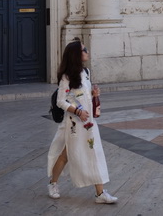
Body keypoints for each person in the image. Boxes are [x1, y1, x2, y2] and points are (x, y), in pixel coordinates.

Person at [46, 40, 117, 204]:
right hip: (74, 124)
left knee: (94, 153)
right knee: (66, 155)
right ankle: (53, 183)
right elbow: (61, 101)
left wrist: (94, 94)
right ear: (76, 55)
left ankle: (100, 194)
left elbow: (83, 97)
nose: (87, 51)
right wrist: (78, 111)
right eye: (84, 49)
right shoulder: (66, 77)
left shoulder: (86, 72)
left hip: (89, 122)